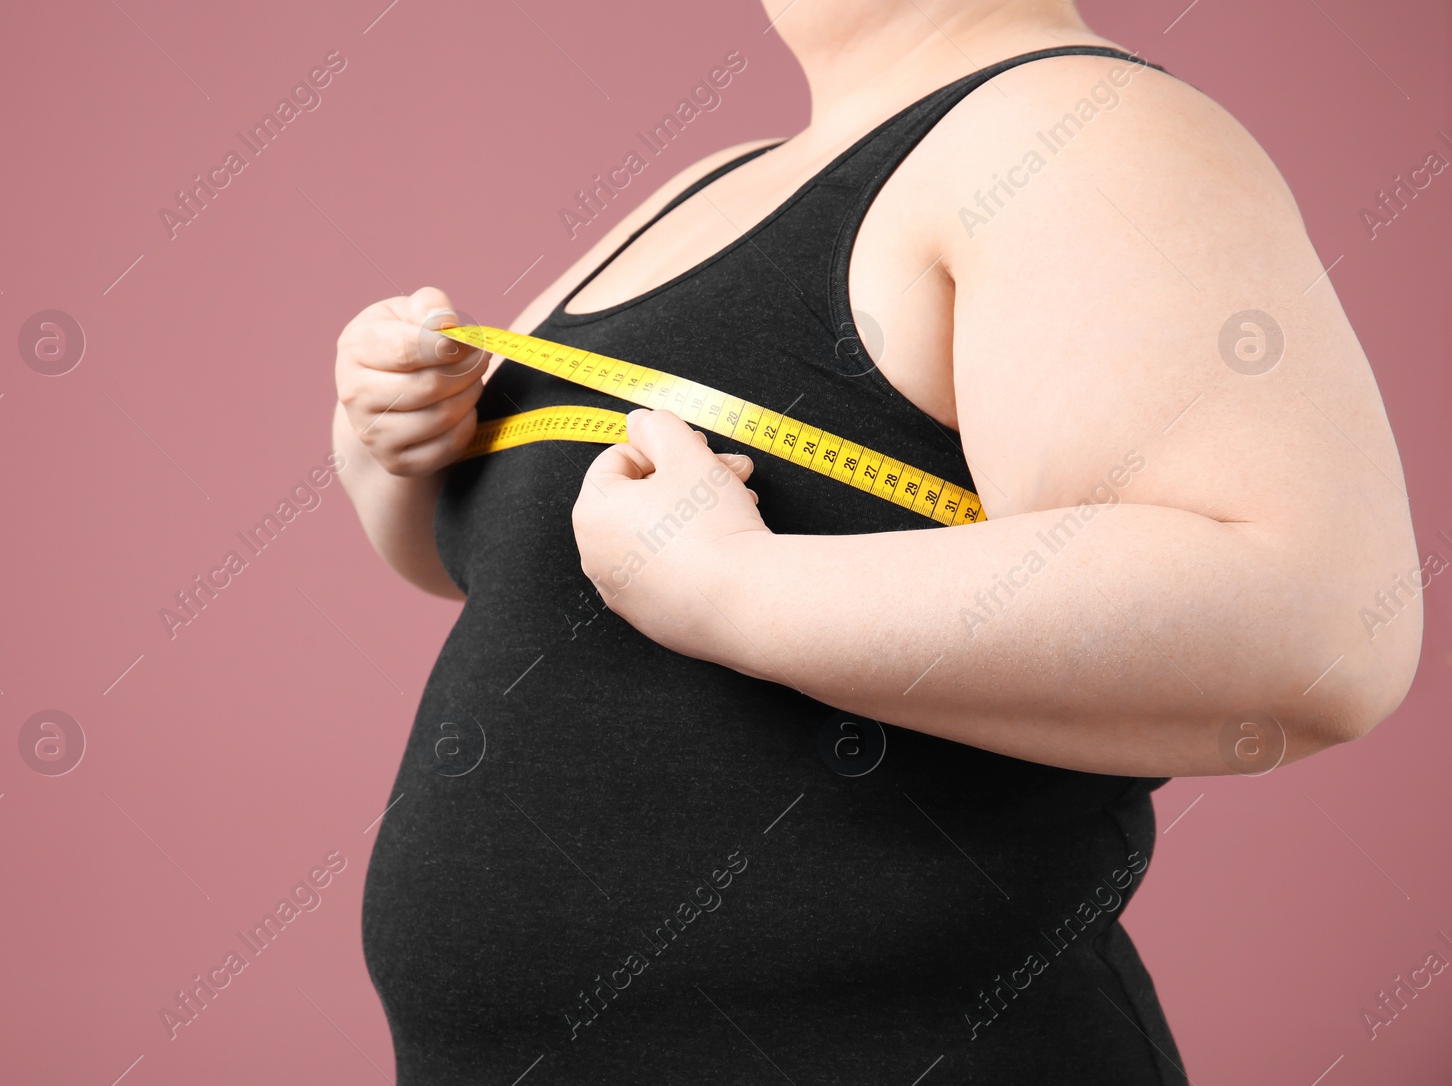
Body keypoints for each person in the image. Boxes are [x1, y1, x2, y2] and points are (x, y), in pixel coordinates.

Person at [331, 1, 1422, 1081]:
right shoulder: (702, 189)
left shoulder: (1077, 129)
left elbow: (1316, 629)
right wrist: (390, 448)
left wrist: (736, 589)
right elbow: (486, 571)